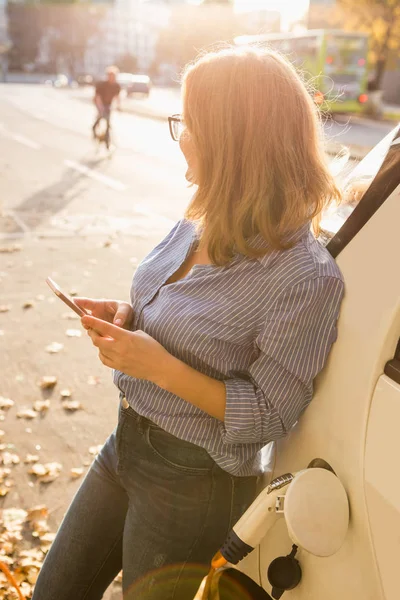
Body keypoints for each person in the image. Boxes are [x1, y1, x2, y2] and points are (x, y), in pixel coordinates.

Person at [32, 47, 344, 600]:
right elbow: (175, 313)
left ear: (234, 142)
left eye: (190, 124)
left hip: (192, 480)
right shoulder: (204, 214)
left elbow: (272, 414)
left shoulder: (304, 276)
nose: (180, 136)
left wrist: (156, 365)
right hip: (125, 444)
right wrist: (128, 317)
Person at [92, 66, 121, 141]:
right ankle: (94, 127)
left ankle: (107, 135)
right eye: (110, 76)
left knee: (108, 118)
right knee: (101, 115)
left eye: (114, 76)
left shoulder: (116, 86)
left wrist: (118, 106)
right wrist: (100, 107)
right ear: (108, 76)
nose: (112, 78)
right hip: (99, 102)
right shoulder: (102, 85)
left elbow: (117, 97)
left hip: (108, 104)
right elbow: (98, 97)